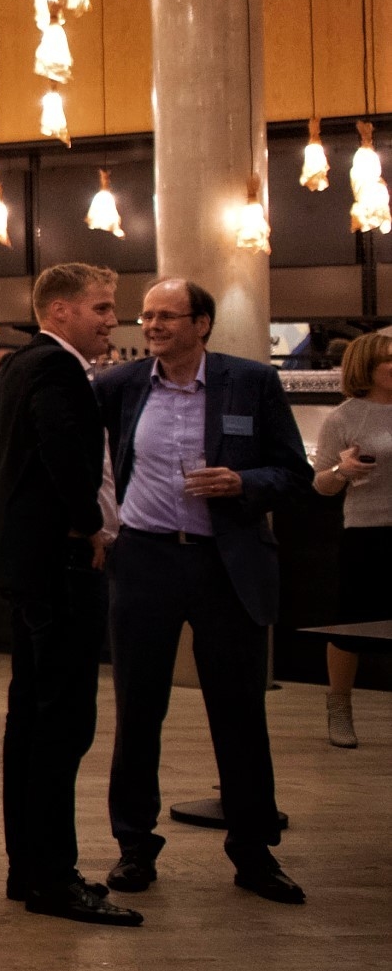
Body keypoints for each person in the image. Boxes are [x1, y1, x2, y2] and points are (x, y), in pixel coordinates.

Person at [97, 278, 310, 906]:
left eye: (168, 317)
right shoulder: (119, 387)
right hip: (146, 560)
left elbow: (293, 472)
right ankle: (134, 846)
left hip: (226, 563)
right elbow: (92, 460)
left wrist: (241, 482)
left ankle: (253, 851)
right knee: (138, 710)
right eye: (148, 317)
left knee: (239, 711)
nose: (154, 327)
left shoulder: (250, 382)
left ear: (203, 324)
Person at [0, 261, 136, 927]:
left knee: (32, 720)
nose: (112, 321)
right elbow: (63, 451)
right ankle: (52, 873)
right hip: (60, 563)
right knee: (63, 723)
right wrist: (89, 522)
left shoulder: (19, 364)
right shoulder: (57, 369)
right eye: (101, 308)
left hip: (28, 565)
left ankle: (30, 866)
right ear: (62, 310)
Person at [308, 328, 392, 750]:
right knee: (350, 624)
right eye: (390, 360)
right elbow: (322, 484)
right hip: (367, 530)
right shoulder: (345, 417)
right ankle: (339, 707)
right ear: (368, 368)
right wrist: (344, 471)